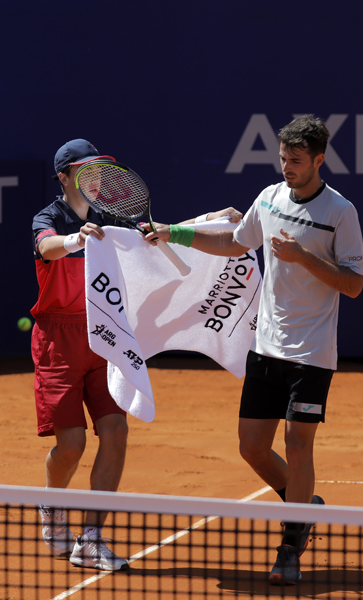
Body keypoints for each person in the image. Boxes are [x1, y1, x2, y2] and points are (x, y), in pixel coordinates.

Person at [144, 116, 363, 585]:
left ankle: (290, 546)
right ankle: (304, 507)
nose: (287, 167)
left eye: (296, 160)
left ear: (318, 161)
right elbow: (235, 241)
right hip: (266, 348)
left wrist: (303, 256)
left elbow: (353, 284)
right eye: (283, 158)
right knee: (251, 447)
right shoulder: (268, 197)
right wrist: (175, 232)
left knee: (297, 443)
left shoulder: (341, 212)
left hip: (312, 354)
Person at [31, 138, 241, 572]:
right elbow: (46, 247)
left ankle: (90, 538)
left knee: (115, 431)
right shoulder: (49, 217)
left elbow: (158, 241)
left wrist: (211, 219)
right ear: (65, 176)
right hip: (59, 341)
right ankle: (52, 506)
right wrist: (75, 239)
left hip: (106, 332)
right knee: (71, 445)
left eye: (100, 170)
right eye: (86, 171)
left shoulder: (113, 217)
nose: (96, 178)